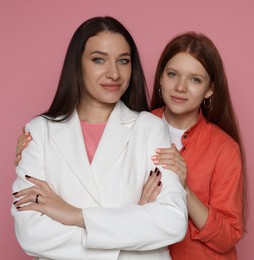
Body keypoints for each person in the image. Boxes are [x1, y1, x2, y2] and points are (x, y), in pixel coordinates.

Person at [15, 31, 247, 259]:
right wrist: (135, 223)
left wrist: (75, 216)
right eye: (172, 74)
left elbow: (184, 226)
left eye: (195, 79)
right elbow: (31, 234)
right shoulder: (147, 123)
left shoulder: (216, 146)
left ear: (210, 89)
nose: (180, 87)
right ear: (160, 78)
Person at [11, 16, 187, 260]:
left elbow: (173, 222)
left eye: (123, 61)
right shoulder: (39, 131)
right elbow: (31, 234)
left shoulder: (150, 128)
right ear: (77, 64)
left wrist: (74, 215)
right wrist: (130, 229)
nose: (114, 73)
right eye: (99, 60)